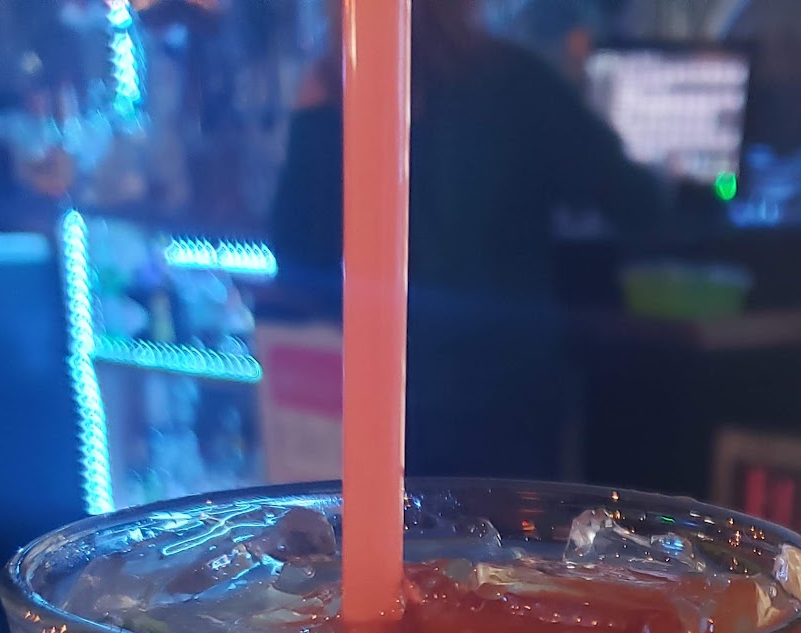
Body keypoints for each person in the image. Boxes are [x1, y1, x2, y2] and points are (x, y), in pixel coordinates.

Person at [271, 0, 666, 477]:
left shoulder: (339, 91)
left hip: (390, 392)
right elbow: (637, 201)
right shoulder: (515, 78)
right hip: (510, 387)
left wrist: (312, 121)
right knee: (513, 526)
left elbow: (297, 258)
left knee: (404, 523)